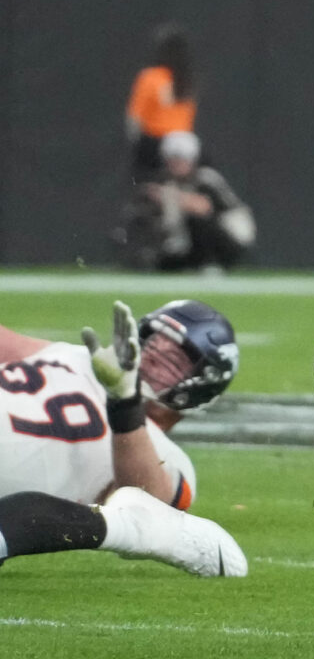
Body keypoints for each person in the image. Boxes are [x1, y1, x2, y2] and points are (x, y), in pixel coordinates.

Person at [0, 299, 246, 576]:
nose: (151, 357)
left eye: (172, 361)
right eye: (151, 344)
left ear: (200, 387)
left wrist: (125, 404)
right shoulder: (77, 356)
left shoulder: (161, 453)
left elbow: (147, 512)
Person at [118, 130, 257, 271]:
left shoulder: (206, 179)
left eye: (181, 159)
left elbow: (202, 208)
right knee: (164, 263)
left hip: (229, 239)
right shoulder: (167, 182)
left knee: (196, 220)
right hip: (187, 244)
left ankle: (210, 264)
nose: (176, 164)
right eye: (173, 158)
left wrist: (166, 196)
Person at [126, 24, 197, 179]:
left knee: (138, 179)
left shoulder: (150, 77)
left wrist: (136, 146)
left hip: (156, 144)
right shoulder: (185, 80)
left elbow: (134, 119)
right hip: (186, 145)